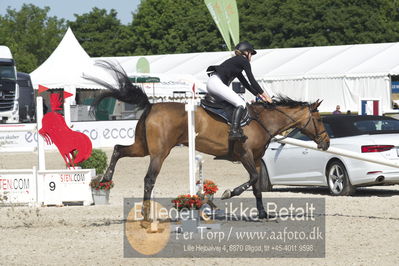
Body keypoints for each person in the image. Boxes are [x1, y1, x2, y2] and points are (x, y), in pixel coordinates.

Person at [206, 41, 272, 142]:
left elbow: (246, 84)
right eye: (251, 53)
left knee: (231, 105)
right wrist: (266, 96)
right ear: (246, 52)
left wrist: (259, 96)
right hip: (216, 83)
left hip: (213, 83)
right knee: (241, 103)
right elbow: (252, 80)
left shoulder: (237, 63)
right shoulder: (243, 60)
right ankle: (234, 131)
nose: (251, 56)